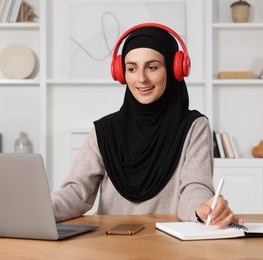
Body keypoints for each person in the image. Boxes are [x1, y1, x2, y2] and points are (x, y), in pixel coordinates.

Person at [51, 23, 242, 228]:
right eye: (132, 68)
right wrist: (36, 209)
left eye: (152, 67)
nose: (141, 79)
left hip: (168, 244)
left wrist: (202, 208)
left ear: (173, 69)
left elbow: (194, 188)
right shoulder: (104, 131)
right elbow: (76, 192)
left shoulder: (194, 126)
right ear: (121, 73)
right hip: (111, 244)